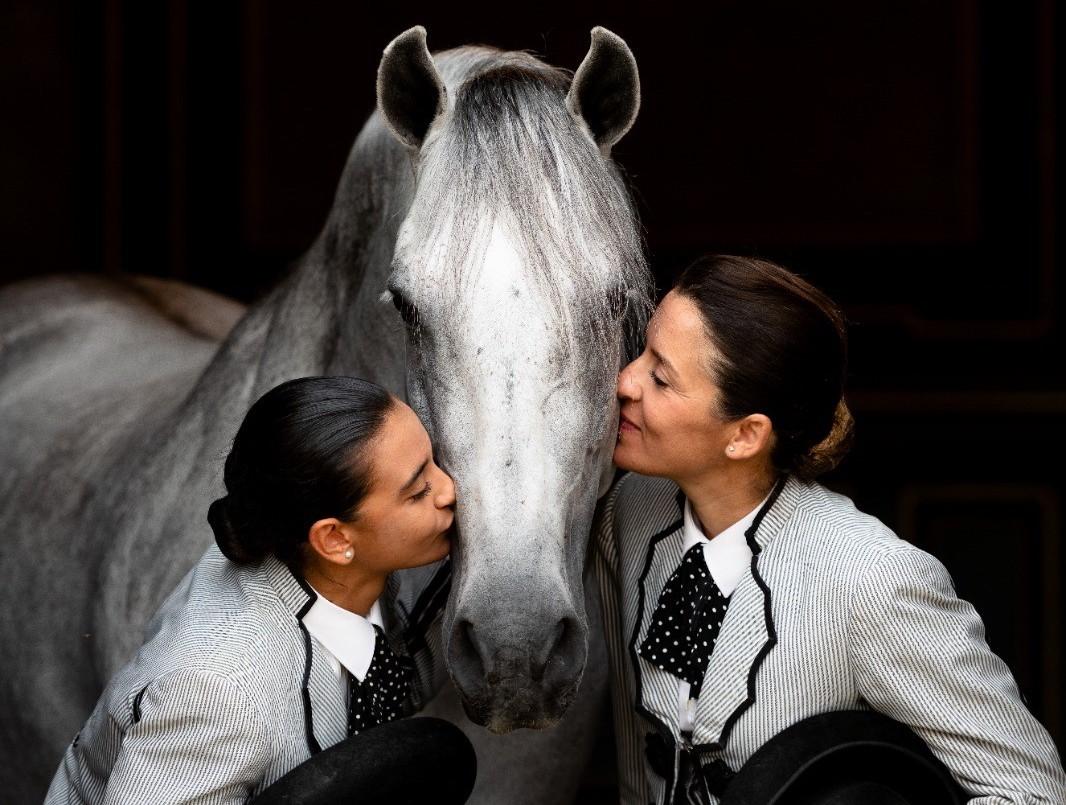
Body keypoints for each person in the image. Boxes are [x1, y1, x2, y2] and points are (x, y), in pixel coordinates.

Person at [594, 255, 1066, 804]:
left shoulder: (873, 581)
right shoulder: (628, 513)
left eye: (660, 376)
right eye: (643, 350)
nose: (624, 381)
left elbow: (1032, 791)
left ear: (746, 435)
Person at [46, 376, 471, 804]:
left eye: (435, 461)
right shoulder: (219, 695)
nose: (450, 489)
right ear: (335, 540)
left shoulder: (308, 546)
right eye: (419, 491)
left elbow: (393, 675)